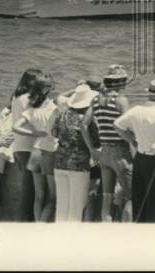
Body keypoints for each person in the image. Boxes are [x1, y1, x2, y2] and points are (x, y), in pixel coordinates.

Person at [114, 78, 155, 223]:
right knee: (154, 199)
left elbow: (117, 125)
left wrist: (132, 140)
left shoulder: (136, 110)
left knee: (139, 199)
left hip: (140, 158)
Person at [82, 64, 132, 222]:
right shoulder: (121, 100)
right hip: (120, 152)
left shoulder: (96, 100)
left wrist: (91, 149)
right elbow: (127, 127)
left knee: (107, 198)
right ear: (120, 82)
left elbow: (83, 124)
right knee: (130, 197)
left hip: (104, 153)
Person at [13, 72, 58, 222]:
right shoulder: (54, 109)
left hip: (35, 152)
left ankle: (37, 223)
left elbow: (15, 127)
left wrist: (35, 132)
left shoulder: (31, 110)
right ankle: (41, 227)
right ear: (46, 90)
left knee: (38, 196)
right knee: (52, 197)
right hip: (49, 152)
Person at [51, 82, 98, 222]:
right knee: (76, 207)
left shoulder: (63, 114)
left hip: (60, 162)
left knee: (62, 206)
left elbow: (54, 132)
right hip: (79, 164)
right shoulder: (88, 119)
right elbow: (96, 141)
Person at [9, 69, 42, 222]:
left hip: (18, 147)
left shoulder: (16, 98)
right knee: (29, 191)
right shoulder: (29, 98)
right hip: (28, 146)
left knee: (26, 189)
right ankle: (22, 224)